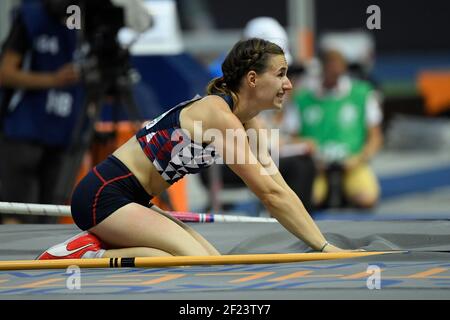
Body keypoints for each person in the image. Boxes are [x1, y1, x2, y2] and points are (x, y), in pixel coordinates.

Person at [37, 38, 356, 260]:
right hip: (103, 196)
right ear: (253, 79)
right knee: (192, 259)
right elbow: (268, 196)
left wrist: (322, 243)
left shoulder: (250, 124)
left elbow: (279, 187)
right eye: (281, 74)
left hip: (136, 200)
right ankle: (90, 252)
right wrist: (326, 248)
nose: (289, 84)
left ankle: (101, 242)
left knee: (210, 257)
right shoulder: (219, 117)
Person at [0, 0, 82, 224]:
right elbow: (5, 72)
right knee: (15, 214)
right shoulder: (31, 16)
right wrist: (53, 79)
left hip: (63, 133)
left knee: (49, 215)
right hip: (23, 132)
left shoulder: (84, 23)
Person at [293, 49, 383, 209]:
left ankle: (343, 192)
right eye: (329, 68)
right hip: (316, 166)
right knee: (308, 199)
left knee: (366, 198)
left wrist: (360, 158)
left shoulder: (362, 94)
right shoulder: (302, 98)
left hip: (353, 163)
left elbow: (375, 137)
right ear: (321, 69)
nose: (333, 73)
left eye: (337, 68)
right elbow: (293, 137)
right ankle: (329, 193)